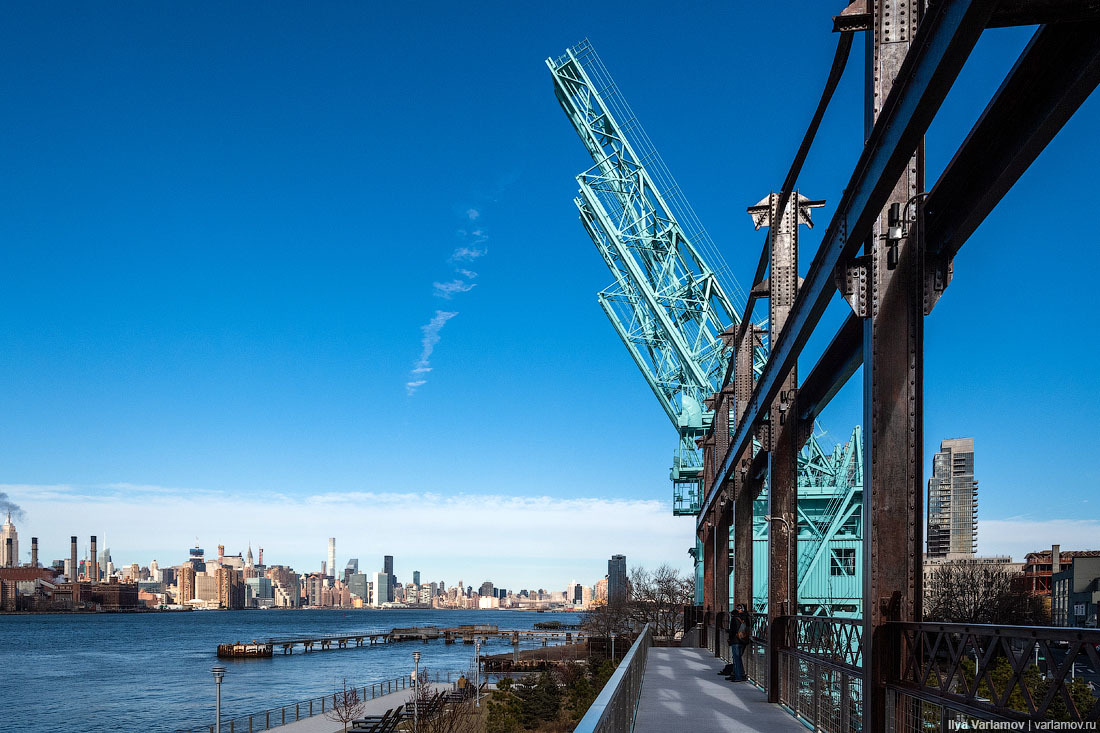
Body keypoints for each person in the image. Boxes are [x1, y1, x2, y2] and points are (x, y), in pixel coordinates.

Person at [726, 603, 751, 682]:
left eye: (738, 608)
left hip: (736, 640)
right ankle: (740, 674)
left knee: (736, 658)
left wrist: (730, 638)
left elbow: (733, 631)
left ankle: (738, 676)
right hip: (743, 640)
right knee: (738, 658)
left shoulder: (735, 618)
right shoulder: (747, 617)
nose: (737, 609)